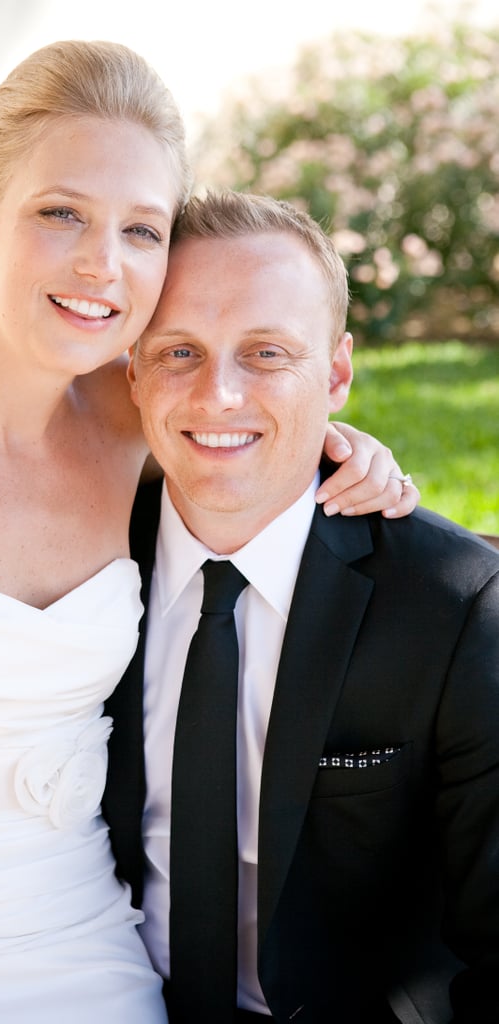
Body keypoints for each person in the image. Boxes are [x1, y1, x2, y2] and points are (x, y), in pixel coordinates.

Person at [0, 41, 418, 1024]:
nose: (102, 263)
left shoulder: (129, 423)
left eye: (140, 230)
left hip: (88, 954)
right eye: (61, 213)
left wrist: (345, 443)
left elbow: (245, 409)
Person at [104, 189, 499, 1024]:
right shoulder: (74, 564)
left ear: (338, 372)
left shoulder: (452, 603)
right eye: (178, 351)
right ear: (130, 367)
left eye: (266, 353)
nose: (218, 395)